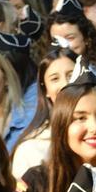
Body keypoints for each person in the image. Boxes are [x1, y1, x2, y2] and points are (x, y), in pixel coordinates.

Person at [11, 49, 79, 178]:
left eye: (71, 75)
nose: (65, 84)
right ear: (45, 89)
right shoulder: (31, 148)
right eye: (55, 79)